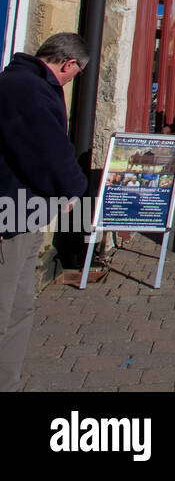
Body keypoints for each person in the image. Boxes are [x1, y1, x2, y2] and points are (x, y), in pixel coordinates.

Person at [0, 32, 89, 392]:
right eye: (75, 74)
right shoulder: (27, 90)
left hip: (25, 212)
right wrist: (74, 188)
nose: (71, 80)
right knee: (5, 309)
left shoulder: (25, 83)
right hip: (10, 215)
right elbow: (49, 152)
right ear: (68, 64)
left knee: (20, 307)